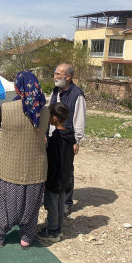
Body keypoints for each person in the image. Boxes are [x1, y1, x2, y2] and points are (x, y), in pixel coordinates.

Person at [0, 71, 49, 249]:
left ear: (17, 87)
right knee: (31, 207)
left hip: (9, 165)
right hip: (35, 167)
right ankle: (26, 238)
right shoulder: (44, 111)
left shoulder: (6, 108)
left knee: (3, 204)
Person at [48, 63, 86, 217]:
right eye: (55, 73)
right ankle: (53, 199)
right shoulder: (55, 91)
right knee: (53, 167)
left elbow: (79, 119)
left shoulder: (77, 95)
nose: (55, 77)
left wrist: (76, 141)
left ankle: (66, 203)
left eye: (58, 74)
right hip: (53, 136)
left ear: (68, 77)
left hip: (67, 139)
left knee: (67, 170)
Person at [37, 102, 76, 242]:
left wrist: (47, 180)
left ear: (53, 118)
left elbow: (52, 162)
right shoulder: (70, 137)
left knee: (51, 204)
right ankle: (58, 228)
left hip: (54, 178)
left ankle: (52, 231)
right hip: (65, 176)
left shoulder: (56, 140)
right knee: (60, 203)